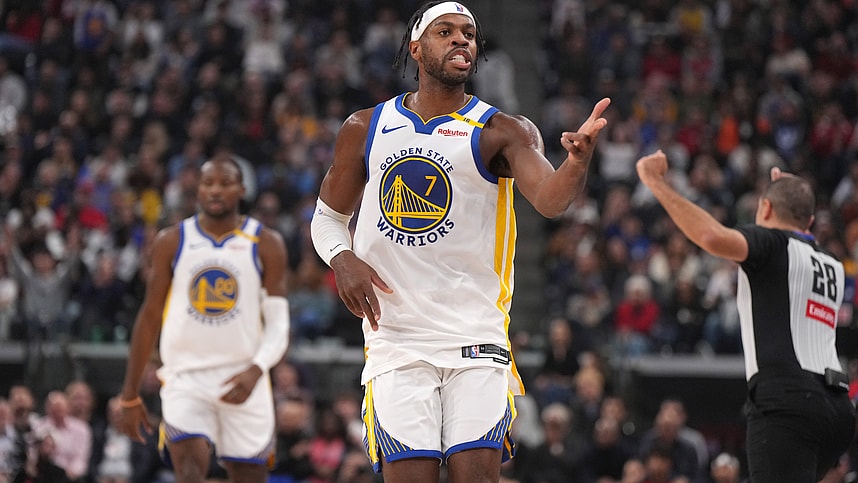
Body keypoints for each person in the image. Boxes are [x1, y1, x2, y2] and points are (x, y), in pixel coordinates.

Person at [309, 1, 609, 481]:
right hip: (398, 340)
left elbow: (552, 202)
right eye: (445, 31)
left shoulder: (502, 131)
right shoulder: (365, 128)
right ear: (416, 48)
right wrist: (341, 257)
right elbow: (326, 218)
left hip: (475, 337)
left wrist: (576, 162)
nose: (460, 40)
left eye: (468, 33)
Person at [636, 150, 856, 482]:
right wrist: (782, 197)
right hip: (837, 408)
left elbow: (711, 237)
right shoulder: (832, 264)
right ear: (810, 221)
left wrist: (655, 182)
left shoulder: (770, 244)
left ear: (765, 209)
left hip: (787, 401)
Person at [117, 156, 291, 483]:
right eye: (208, 183)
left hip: (244, 375)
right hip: (186, 377)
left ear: (241, 189)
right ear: (197, 189)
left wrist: (257, 369)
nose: (215, 190)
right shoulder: (172, 241)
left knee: (249, 476)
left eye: (225, 183)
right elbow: (149, 316)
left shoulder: (266, 243)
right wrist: (130, 392)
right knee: (189, 471)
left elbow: (279, 324)